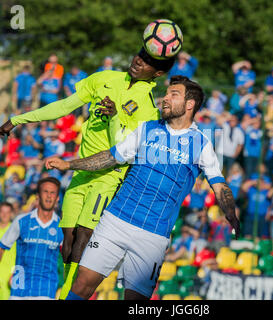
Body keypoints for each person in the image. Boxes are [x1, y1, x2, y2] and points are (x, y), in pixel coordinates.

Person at [0, 43, 177, 300]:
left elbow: (122, 151)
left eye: (147, 60)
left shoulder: (149, 110)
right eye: (139, 54)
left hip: (108, 176)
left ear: (157, 73)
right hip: (80, 172)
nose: (138, 60)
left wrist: (116, 116)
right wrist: (17, 120)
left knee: (84, 238)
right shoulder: (105, 78)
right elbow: (64, 106)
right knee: (68, 243)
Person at [45, 76, 240, 300]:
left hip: (153, 236)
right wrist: (69, 164)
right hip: (115, 221)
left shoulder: (202, 143)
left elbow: (218, 183)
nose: (165, 98)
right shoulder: (147, 129)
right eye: (166, 93)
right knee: (81, 285)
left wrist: (230, 213)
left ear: (190, 104)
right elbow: (111, 157)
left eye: (173, 94)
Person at [0, 177, 63, 300]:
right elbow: (1, 248)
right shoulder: (21, 221)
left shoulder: (62, 226)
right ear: (37, 196)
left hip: (45, 291)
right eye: (45, 192)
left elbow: (68, 259)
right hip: (19, 290)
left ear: (57, 198)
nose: (49, 196)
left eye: (52, 193)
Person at [0, 202, 16, 300]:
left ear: (11, 214)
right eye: (2, 212)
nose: (5, 215)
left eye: (7, 212)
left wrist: (16, 274)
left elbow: (22, 255)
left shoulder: (15, 231)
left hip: (9, 277)